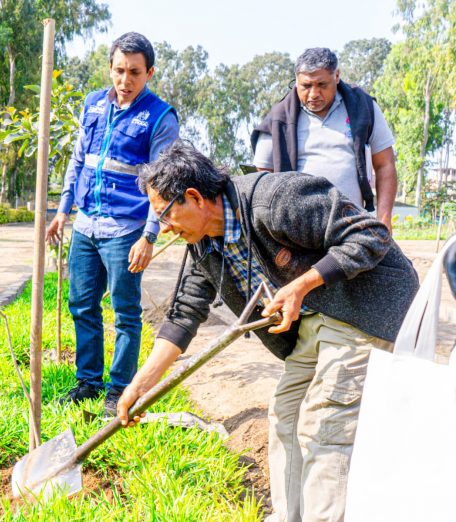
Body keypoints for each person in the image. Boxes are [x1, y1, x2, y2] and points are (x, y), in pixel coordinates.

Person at [117, 141, 419, 522]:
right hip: (321, 317)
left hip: (367, 305)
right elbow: (183, 314)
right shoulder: (202, 245)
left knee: (323, 421)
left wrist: (302, 284)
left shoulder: (276, 199)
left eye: (164, 215)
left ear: (193, 197)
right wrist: (140, 385)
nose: (163, 228)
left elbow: (372, 234)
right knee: (286, 414)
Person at [45, 32, 179, 416]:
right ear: (110, 68)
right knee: (81, 305)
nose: (125, 80)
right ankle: (88, 382)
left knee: (125, 311)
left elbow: (162, 182)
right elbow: (78, 162)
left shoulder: (160, 117)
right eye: (119, 70)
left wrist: (149, 237)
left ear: (149, 73)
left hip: (126, 231)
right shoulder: (92, 106)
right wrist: (62, 211)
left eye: (134, 72)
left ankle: (118, 390)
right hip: (86, 226)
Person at [251, 47, 398, 231]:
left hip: (354, 227)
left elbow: (385, 165)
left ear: (336, 76)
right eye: (306, 86)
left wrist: (384, 220)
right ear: (296, 81)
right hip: (299, 233)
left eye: (322, 85)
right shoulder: (278, 119)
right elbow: (262, 179)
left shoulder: (363, 108)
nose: (313, 94)